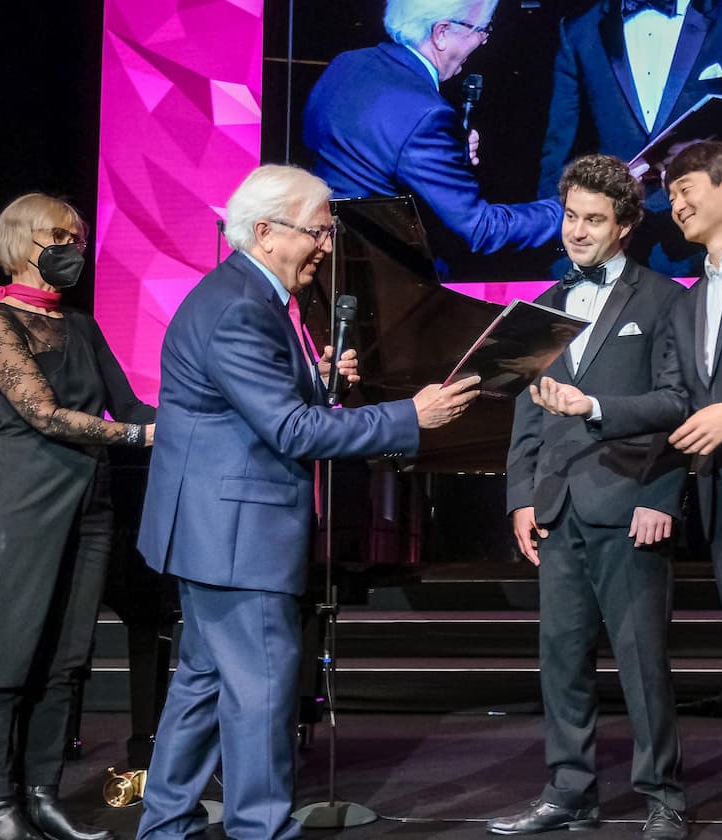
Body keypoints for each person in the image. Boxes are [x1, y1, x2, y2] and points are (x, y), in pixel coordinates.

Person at [134, 164, 480, 840]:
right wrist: (411, 415)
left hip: (214, 532)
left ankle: (164, 826)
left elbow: (247, 408)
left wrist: (316, 380)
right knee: (259, 697)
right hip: (238, 537)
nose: (327, 245)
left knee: (202, 687)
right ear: (266, 232)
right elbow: (288, 430)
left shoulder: (242, 295)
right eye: (319, 231)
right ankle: (259, 830)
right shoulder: (240, 306)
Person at [537, 141, 722, 840]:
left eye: (686, 188)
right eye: (669, 192)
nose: (677, 202)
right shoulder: (695, 296)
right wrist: (595, 410)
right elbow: (674, 399)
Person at [487, 154, 690, 840]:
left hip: (631, 500)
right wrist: (520, 496)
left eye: (594, 220)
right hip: (556, 506)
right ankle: (569, 790)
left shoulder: (664, 299)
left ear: (627, 225)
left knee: (641, 661)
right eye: (571, 216)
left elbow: (677, 403)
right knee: (561, 660)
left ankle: (663, 796)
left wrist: (662, 494)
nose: (577, 231)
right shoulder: (542, 302)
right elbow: (526, 410)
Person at [0, 192, 156, 840]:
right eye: (59, 238)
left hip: (87, 505)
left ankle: (40, 795)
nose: (74, 251)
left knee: (66, 659)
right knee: (0, 654)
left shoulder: (83, 325)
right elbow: (43, 413)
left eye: (78, 239)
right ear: (22, 244)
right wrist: (138, 441)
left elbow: (131, 406)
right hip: (20, 504)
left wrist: (203, 421)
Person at [303, 0, 561, 260]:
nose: (483, 40)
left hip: (326, 262)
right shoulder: (426, 114)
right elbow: (481, 230)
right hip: (384, 279)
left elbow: (373, 152)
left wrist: (447, 153)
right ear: (441, 32)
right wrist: (570, 212)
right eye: (481, 29)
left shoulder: (347, 64)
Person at [538, 0, 722, 277]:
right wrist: (560, 240)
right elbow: (559, 145)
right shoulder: (581, 29)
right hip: (610, 235)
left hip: (696, 238)